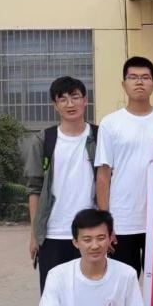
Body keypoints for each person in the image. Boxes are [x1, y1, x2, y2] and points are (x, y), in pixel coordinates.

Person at [95, 56, 153, 276]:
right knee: (125, 282)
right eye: (133, 77)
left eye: (145, 77)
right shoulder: (110, 123)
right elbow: (103, 176)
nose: (139, 82)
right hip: (123, 219)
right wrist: (106, 221)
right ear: (123, 84)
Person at [24, 76, 97, 293]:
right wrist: (34, 235)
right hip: (53, 233)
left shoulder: (100, 137)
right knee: (53, 296)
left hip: (90, 234)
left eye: (75, 97)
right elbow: (34, 189)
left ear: (85, 100)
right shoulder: (44, 140)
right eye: (62, 99)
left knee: (90, 294)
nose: (70, 104)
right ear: (55, 105)